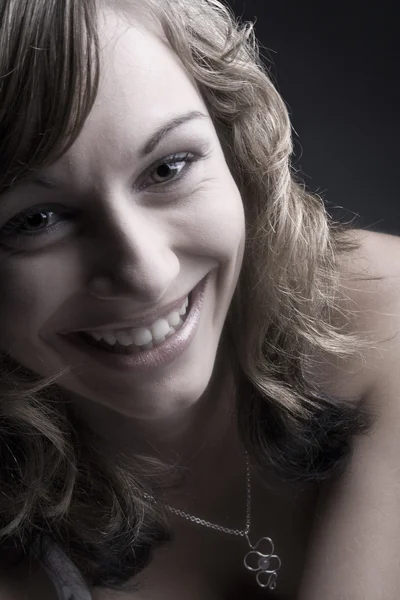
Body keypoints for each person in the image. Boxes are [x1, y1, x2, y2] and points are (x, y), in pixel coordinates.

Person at [0, 0, 399, 599]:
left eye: (168, 168)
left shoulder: (384, 311)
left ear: (234, 144)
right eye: (38, 219)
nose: (145, 272)